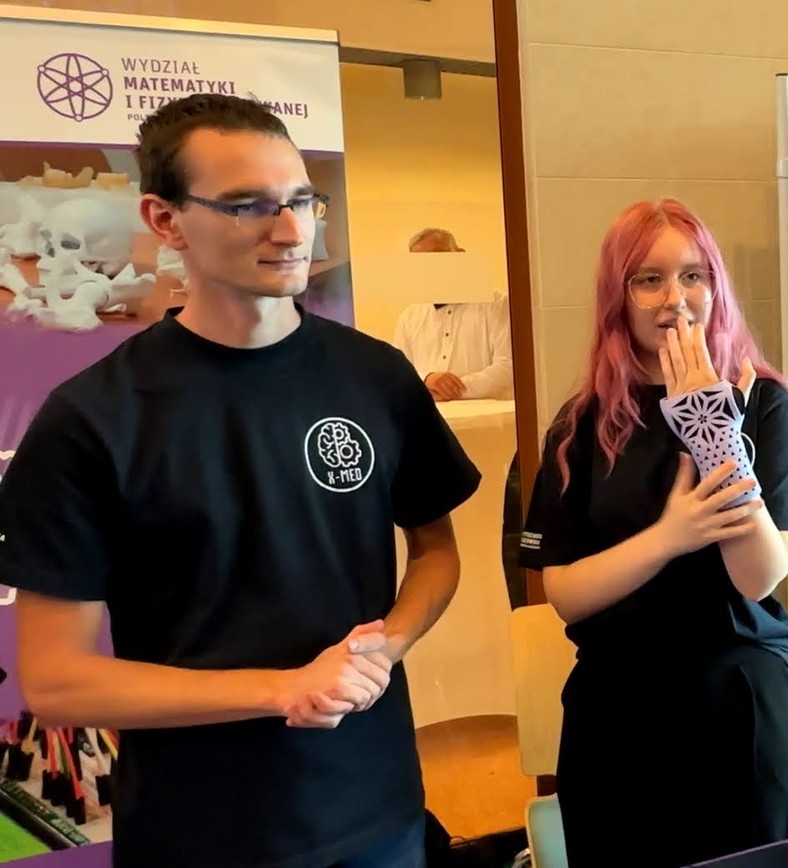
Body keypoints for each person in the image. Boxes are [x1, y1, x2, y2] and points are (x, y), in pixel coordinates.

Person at [0, 93, 482, 868]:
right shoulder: (93, 420)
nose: (290, 231)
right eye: (248, 206)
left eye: (301, 201)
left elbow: (436, 551)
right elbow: (58, 681)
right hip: (204, 832)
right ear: (165, 220)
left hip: (379, 813)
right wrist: (282, 688)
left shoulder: (376, 376)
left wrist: (385, 646)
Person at [519, 199, 788, 867]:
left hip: (735, 708)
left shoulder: (764, 403)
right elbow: (564, 593)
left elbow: (758, 576)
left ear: (716, 286)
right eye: (648, 279)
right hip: (615, 713)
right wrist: (669, 536)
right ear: (618, 295)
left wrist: (713, 432)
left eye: (693, 275)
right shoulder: (582, 425)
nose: (675, 299)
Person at [393, 228, 514, 402]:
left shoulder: (499, 305)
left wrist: (449, 389)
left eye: (437, 259)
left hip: (490, 418)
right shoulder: (409, 317)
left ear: (460, 256)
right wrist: (427, 379)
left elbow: (508, 368)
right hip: (428, 416)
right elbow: (399, 373)